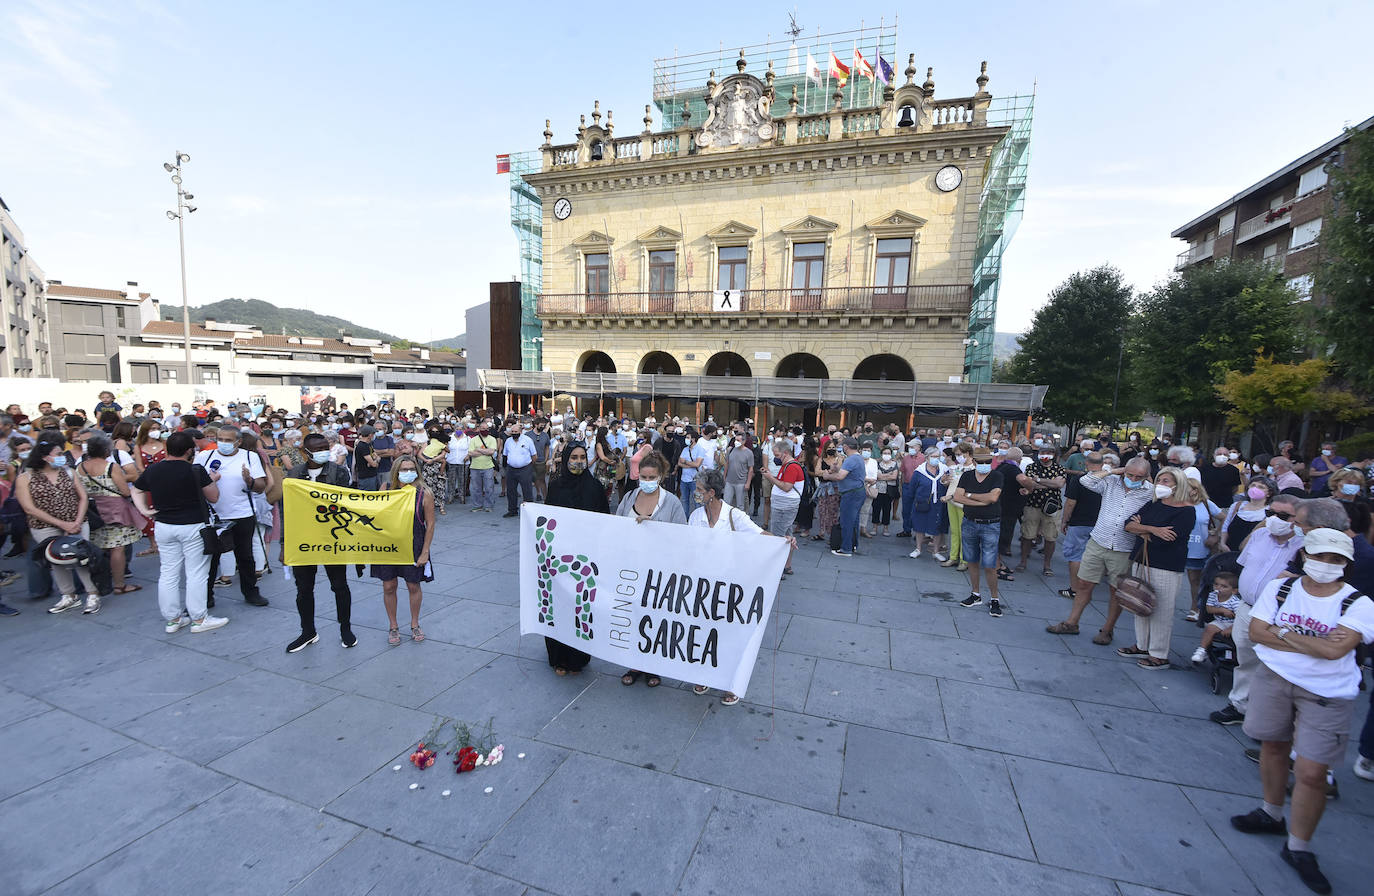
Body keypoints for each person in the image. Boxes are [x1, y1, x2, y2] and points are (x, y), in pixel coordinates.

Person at [1230, 528, 1374, 895]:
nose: (1326, 564)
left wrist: (1281, 632)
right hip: (1275, 679)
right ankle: (1271, 812)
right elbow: (1257, 632)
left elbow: (1334, 652)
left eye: (1335, 559)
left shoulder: (1359, 604)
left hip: (1327, 692)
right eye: (1320, 556)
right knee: (1273, 746)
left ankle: (1299, 846)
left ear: (1346, 564)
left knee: (1312, 772)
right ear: (1305, 555)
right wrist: (1313, 641)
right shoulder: (1282, 589)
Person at [1209, 492, 1307, 728]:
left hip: (1279, 617)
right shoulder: (1259, 535)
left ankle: (1269, 719)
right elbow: (1243, 564)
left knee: (1273, 667)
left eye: (1282, 515)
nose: (1274, 519)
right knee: (1245, 659)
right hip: (1247, 608)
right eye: (1271, 513)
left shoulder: (1305, 546)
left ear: (1297, 519)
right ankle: (1239, 705)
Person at [688, 469, 781, 705]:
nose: (696, 494)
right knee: (703, 632)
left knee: (729, 635)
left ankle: (732, 683)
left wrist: (783, 543)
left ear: (711, 492)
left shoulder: (733, 515)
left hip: (730, 586)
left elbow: (760, 534)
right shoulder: (696, 516)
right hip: (702, 585)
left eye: (699, 490)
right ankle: (704, 674)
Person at [1045, 457, 1154, 643]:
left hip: (1123, 547)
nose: (1134, 480)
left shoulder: (1149, 491)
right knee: (1084, 583)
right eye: (1130, 475)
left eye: (1139, 477)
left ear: (1147, 476)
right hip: (1098, 541)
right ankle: (1072, 622)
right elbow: (1086, 480)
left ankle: (1107, 630)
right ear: (1124, 472)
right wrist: (1113, 471)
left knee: (1116, 590)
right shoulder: (1111, 482)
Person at [130, 431, 228, 633]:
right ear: (189, 451)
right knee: (196, 573)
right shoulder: (194, 470)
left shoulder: (154, 469)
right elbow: (214, 497)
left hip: (164, 525)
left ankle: (173, 619)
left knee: (168, 572)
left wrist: (144, 510)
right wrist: (213, 480)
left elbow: (136, 489)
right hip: (192, 525)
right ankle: (199, 619)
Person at [283, 433, 356, 652]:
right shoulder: (294, 474)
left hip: (331, 538)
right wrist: (285, 543)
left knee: (340, 585)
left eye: (326, 447)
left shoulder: (338, 471)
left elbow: (346, 503)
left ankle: (345, 629)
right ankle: (308, 631)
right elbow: (287, 510)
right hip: (303, 539)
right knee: (304, 589)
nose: (324, 451)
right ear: (306, 452)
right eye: (318, 448)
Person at [1117, 468, 1196, 669]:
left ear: (1177, 484)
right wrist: (1152, 529)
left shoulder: (1186, 511)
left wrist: (1142, 529)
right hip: (1142, 559)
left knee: (1162, 610)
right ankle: (1142, 645)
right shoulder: (1154, 504)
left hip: (1166, 565)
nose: (1160, 484)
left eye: (1166, 481)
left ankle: (1159, 654)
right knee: (1140, 603)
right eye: (1159, 479)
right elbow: (1128, 525)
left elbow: (1168, 539)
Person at [544, 443, 610, 676]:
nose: (579, 461)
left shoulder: (595, 487)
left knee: (582, 608)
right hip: (560, 558)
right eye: (574, 457)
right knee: (561, 606)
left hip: (586, 560)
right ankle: (559, 658)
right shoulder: (555, 487)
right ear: (565, 459)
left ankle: (578, 658)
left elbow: (604, 521)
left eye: (582, 457)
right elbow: (547, 520)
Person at [196, 424, 269, 608]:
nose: (223, 443)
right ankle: (206, 596)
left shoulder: (250, 457)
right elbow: (194, 482)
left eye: (228, 440)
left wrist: (249, 480)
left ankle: (251, 592)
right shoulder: (205, 456)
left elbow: (261, 487)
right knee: (211, 558)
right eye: (220, 439)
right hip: (213, 516)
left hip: (242, 513)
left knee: (245, 556)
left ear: (239, 441)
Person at [372, 456, 435, 645]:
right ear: (396, 471)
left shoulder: (424, 493)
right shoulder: (385, 489)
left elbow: (430, 524)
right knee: (388, 586)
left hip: (414, 545)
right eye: (404, 469)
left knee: (413, 585)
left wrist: (425, 552)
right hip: (388, 545)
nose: (408, 472)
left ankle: (415, 624)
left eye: (411, 469)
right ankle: (393, 626)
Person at [75, 433, 145, 597]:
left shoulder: (80, 467)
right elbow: (125, 491)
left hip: (92, 510)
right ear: (106, 450)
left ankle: (98, 582)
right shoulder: (111, 467)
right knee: (117, 547)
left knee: (97, 545)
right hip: (115, 510)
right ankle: (119, 584)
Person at [952, 447, 1005, 617]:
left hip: (990, 524)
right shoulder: (967, 476)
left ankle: (994, 598)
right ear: (974, 462)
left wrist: (969, 495)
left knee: (990, 564)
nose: (985, 465)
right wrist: (981, 501)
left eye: (988, 462)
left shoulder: (997, 476)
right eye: (981, 462)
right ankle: (975, 594)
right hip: (969, 522)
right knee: (972, 560)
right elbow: (957, 497)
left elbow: (993, 497)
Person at [1058, 452, 1107, 599]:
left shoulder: (1080, 479)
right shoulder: (1109, 480)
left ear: (1086, 463)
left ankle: (1074, 589)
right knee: (1094, 557)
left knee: (1075, 556)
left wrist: (1064, 520)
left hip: (1079, 522)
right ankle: (1088, 587)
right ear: (1102, 464)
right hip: (1100, 524)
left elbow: (1070, 502)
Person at [1016, 445, 1067, 577]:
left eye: (1049, 452)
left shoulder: (1060, 468)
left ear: (1053, 454)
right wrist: (1050, 483)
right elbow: (1029, 484)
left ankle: (1047, 565)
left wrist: (1038, 480)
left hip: (1052, 507)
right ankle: (1023, 561)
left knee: (1050, 537)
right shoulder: (1031, 467)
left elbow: (1059, 484)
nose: (1045, 455)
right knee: (1027, 535)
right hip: (1033, 504)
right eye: (1043, 452)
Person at [760, 439, 803, 575]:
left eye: (777, 455)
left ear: (785, 453)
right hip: (784, 504)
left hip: (785, 506)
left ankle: (777, 569)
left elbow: (786, 487)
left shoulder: (791, 467)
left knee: (778, 537)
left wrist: (769, 477)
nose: (775, 458)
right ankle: (786, 566)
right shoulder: (787, 466)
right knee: (787, 535)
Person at [824, 437, 867, 557]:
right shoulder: (858, 458)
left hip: (851, 494)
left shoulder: (850, 459)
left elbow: (840, 477)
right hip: (858, 492)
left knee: (846, 521)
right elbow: (847, 472)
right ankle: (853, 544)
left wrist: (827, 476)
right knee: (854, 521)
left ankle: (846, 548)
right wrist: (837, 469)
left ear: (846, 447)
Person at [1191, 571, 1242, 664]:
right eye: (1216, 584)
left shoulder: (1235, 602)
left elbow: (1240, 619)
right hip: (1220, 621)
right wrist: (1222, 610)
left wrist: (1231, 629)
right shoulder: (1213, 595)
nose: (1218, 588)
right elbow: (1209, 609)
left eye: (1224, 586)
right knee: (1209, 628)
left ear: (1234, 591)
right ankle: (1202, 649)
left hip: (1234, 623)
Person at [906, 451, 947, 560]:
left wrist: (944, 482)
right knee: (920, 526)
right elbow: (912, 488)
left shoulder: (944, 470)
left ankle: (936, 551)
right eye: (933, 456)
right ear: (927, 457)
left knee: (937, 526)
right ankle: (918, 549)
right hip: (922, 502)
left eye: (937, 456)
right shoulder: (919, 472)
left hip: (938, 503)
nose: (935, 458)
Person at [502, 420, 537, 518]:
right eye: (512, 432)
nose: (514, 433)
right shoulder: (508, 441)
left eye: (516, 432)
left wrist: (529, 466)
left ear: (521, 431)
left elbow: (534, 456)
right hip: (511, 469)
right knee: (511, 490)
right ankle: (512, 510)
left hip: (525, 469)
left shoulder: (527, 440)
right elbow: (505, 454)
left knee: (527, 491)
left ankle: (529, 512)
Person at [467, 422, 499, 512]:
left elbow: (492, 452)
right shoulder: (473, 440)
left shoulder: (492, 439)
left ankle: (489, 505)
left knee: (489, 487)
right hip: (475, 467)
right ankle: (478, 505)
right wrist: (485, 451)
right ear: (479, 429)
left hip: (488, 467)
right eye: (483, 429)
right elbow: (470, 453)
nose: (485, 430)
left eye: (487, 429)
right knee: (476, 488)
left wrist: (478, 449)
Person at [722, 432, 754, 511]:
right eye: (735, 440)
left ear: (744, 441)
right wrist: (724, 478)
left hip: (741, 482)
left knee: (740, 505)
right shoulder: (731, 450)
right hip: (729, 482)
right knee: (726, 503)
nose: (736, 442)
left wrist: (748, 483)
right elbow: (727, 464)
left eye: (738, 440)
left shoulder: (749, 453)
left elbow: (750, 469)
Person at [353, 424, 381, 491]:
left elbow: (377, 457)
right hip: (366, 477)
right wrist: (375, 461)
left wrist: (375, 461)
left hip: (372, 475)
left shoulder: (369, 445)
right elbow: (373, 464)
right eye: (373, 434)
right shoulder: (362, 446)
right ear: (370, 435)